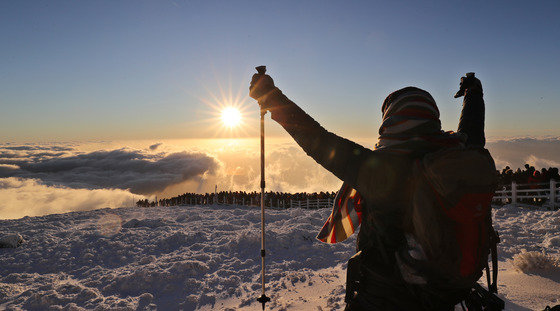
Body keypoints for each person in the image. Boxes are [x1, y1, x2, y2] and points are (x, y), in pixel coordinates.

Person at [250, 71, 488, 310]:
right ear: (432, 118)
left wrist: (272, 98)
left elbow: (316, 139)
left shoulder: (380, 170)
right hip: (443, 295)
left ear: (391, 120)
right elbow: (473, 127)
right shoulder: (459, 157)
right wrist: (473, 92)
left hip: (382, 297)